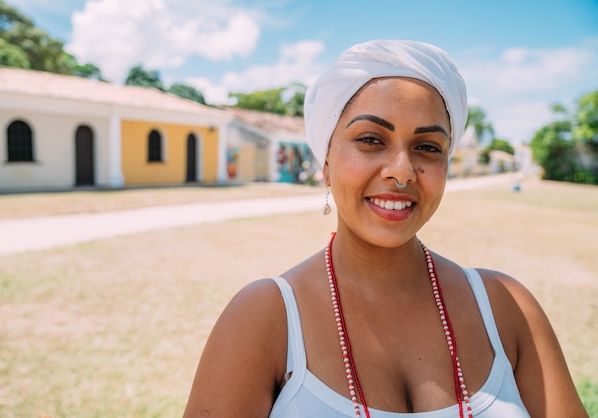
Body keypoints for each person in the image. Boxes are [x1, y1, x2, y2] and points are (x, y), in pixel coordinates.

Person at [183, 40, 588, 417]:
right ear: (325, 163)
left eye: (427, 147)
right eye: (371, 139)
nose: (401, 172)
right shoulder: (264, 318)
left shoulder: (508, 309)